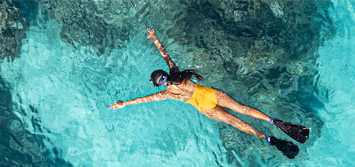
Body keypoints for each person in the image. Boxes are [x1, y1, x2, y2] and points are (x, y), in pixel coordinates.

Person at [109, 28, 310, 159]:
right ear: (165, 74)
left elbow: (143, 100)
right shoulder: (177, 74)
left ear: (159, 85)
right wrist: (154, 39)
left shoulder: (166, 94)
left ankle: (266, 137)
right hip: (213, 95)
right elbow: (165, 55)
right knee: (244, 109)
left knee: (236, 123)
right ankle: (273, 121)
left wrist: (123, 104)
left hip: (206, 108)